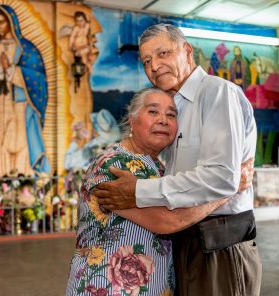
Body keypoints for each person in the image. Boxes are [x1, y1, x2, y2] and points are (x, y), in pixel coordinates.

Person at [94, 24, 261, 296]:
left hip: (219, 244)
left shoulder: (217, 93)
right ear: (132, 121)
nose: (155, 65)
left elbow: (220, 177)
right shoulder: (176, 107)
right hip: (184, 241)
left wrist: (138, 191)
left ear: (187, 51)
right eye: (147, 61)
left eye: (163, 53)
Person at [66, 88, 231, 296]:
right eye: (153, 112)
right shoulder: (113, 164)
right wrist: (224, 193)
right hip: (106, 288)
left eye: (171, 114)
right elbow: (166, 222)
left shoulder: (160, 169)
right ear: (132, 121)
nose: (163, 120)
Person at [0, 5, 50, 179]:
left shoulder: (27, 49)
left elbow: (39, 79)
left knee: (20, 145)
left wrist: (13, 71)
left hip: (19, 105)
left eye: (1, 22)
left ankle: (23, 187)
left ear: (11, 22)